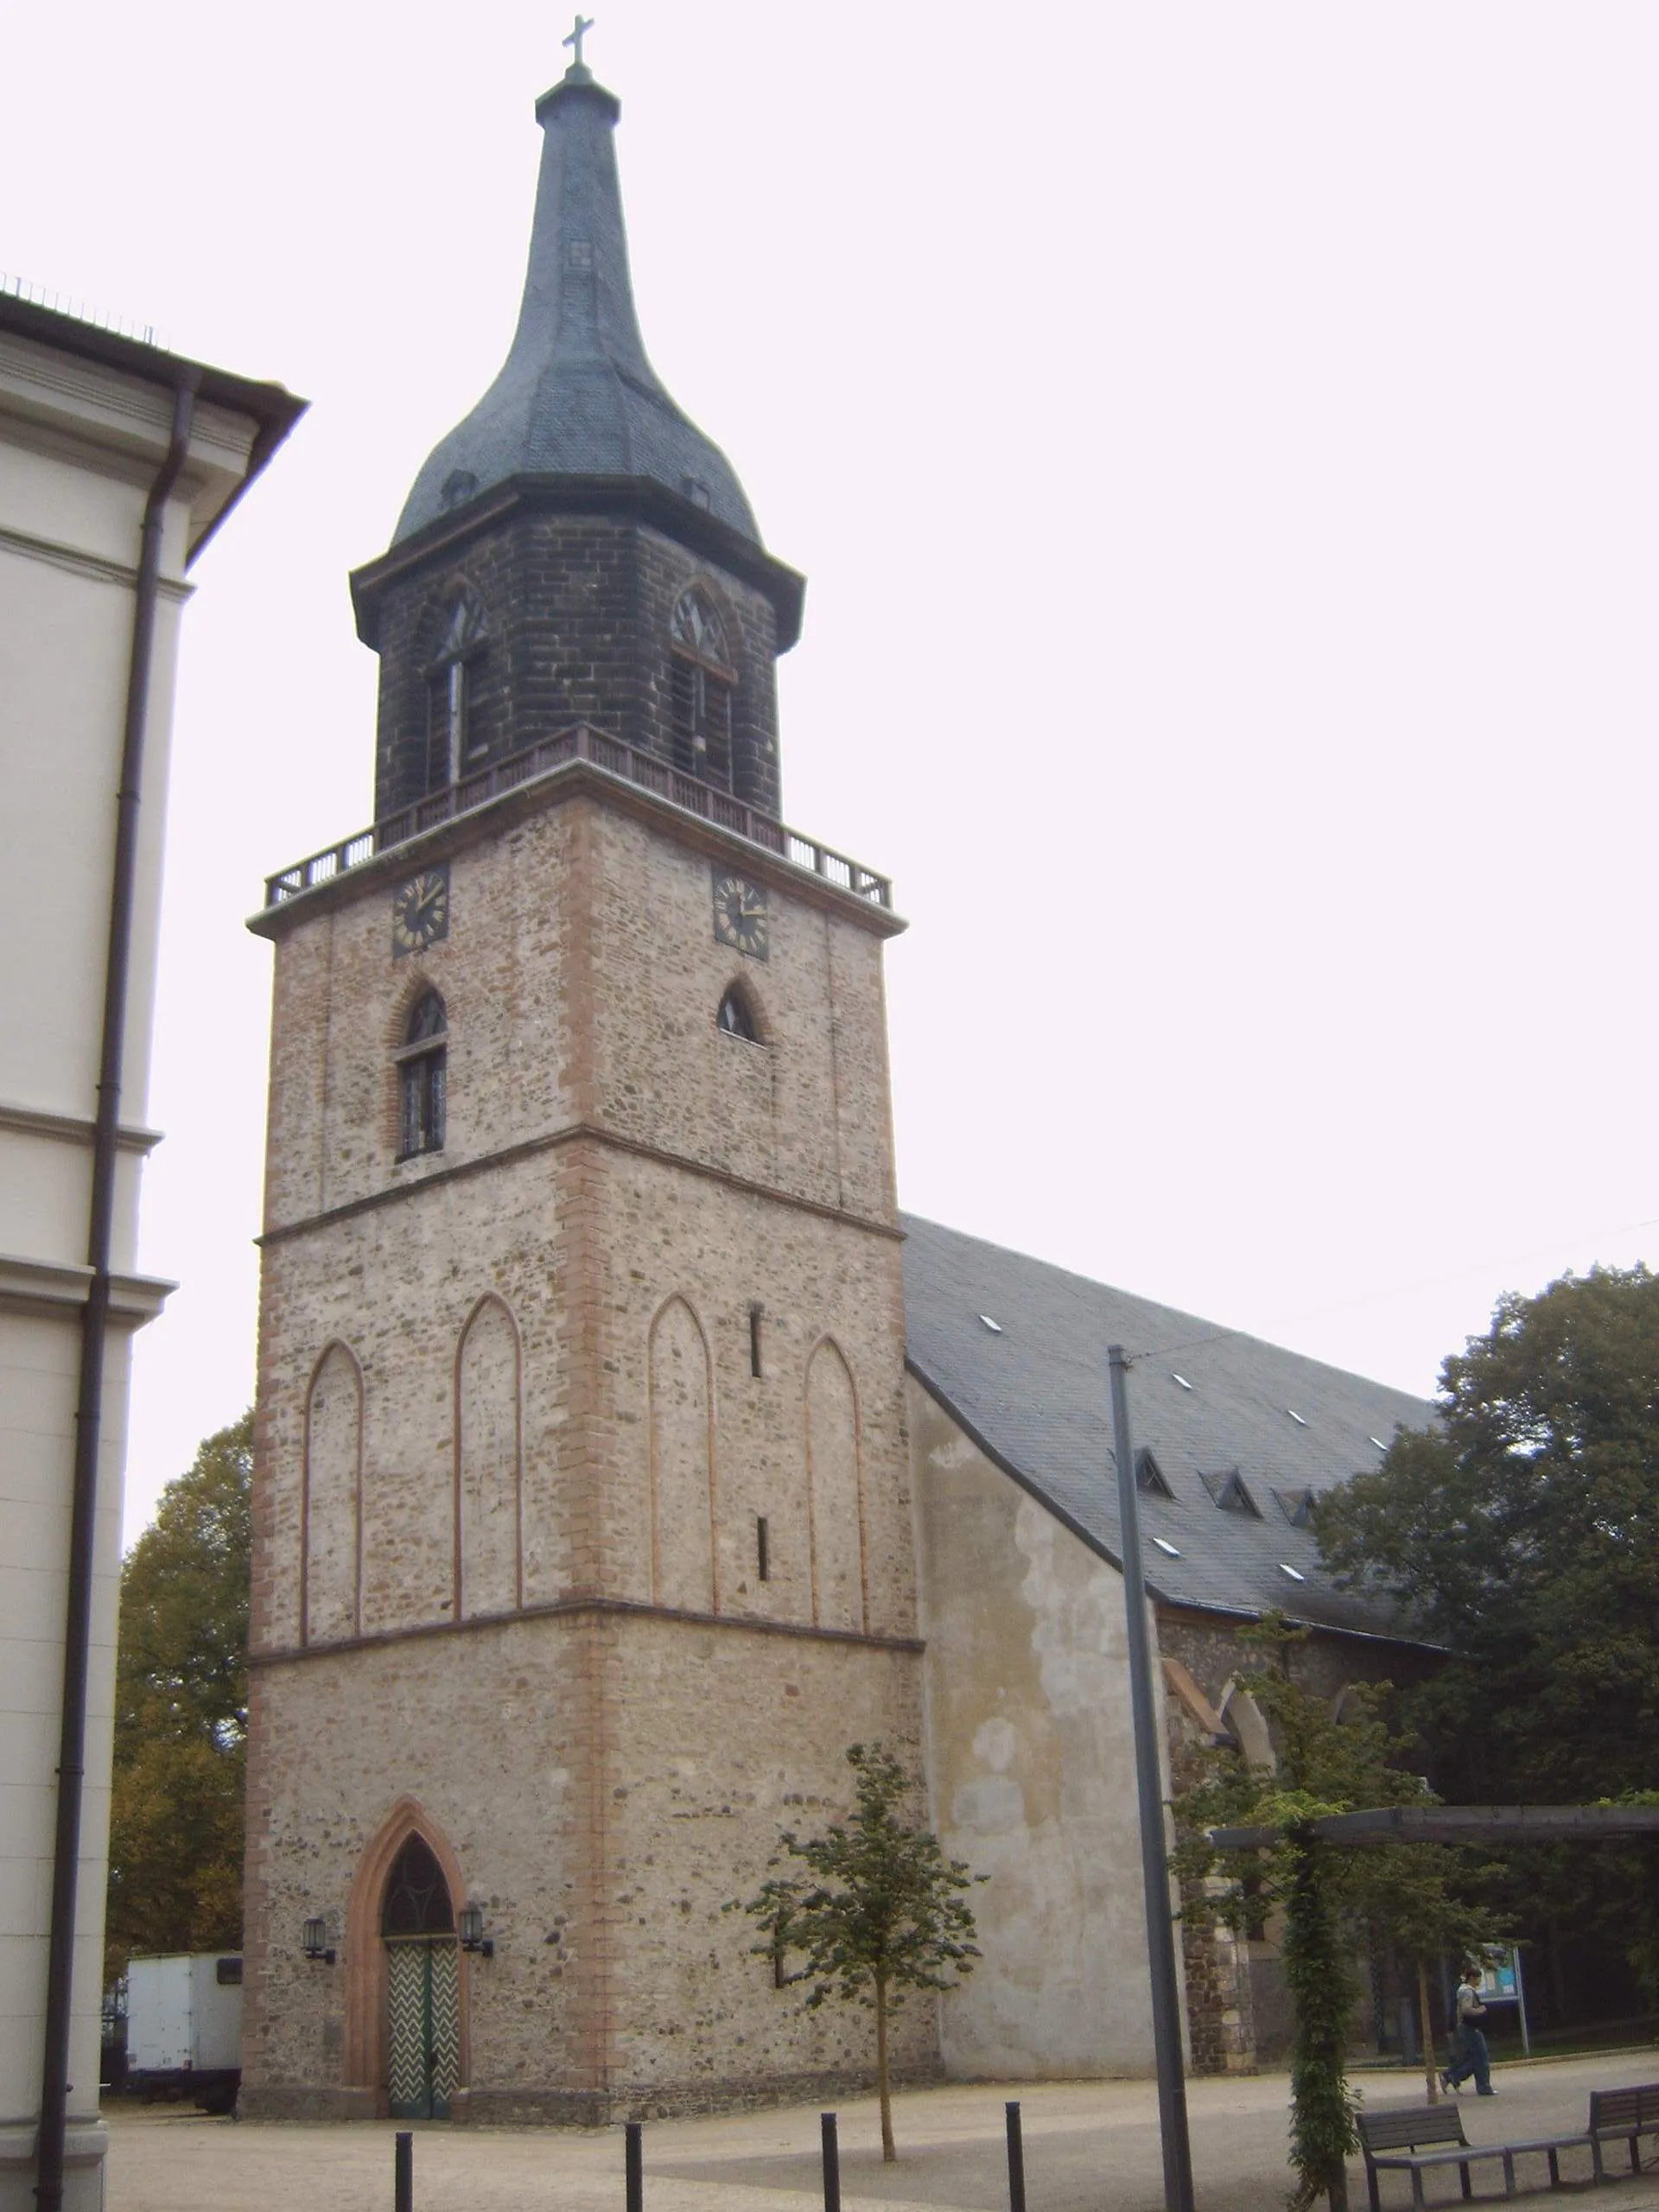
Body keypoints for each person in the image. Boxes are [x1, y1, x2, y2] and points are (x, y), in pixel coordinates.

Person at [1441, 1964, 1496, 2095]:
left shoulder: (1463, 1989)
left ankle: (1450, 2075)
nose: (1480, 1981)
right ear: (1472, 1977)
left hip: (1465, 2027)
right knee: (1481, 2057)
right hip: (1470, 2028)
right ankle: (1483, 2086)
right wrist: (1480, 2010)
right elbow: (1466, 2009)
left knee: (1471, 2057)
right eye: (1478, 1978)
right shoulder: (1467, 1991)